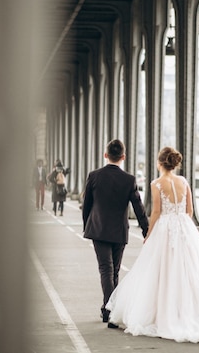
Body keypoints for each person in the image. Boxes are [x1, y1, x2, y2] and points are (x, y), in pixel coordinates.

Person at [105, 146, 199, 344]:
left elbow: (156, 212)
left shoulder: (157, 184)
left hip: (165, 227)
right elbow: (189, 210)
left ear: (159, 163)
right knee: (190, 269)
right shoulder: (183, 181)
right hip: (184, 227)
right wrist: (180, 223)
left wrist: (150, 233)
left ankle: (164, 312)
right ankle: (192, 310)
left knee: (161, 269)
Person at [82, 139, 149, 327]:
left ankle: (109, 309)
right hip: (119, 231)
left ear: (106, 155)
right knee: (115, 271)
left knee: (106, 269)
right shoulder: (129, 180)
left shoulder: (94, 176)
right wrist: (146, 231)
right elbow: (139, 207)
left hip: (98, 229)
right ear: (123, 157)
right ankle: (112, 310)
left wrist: (87, 225)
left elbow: (86, 205)